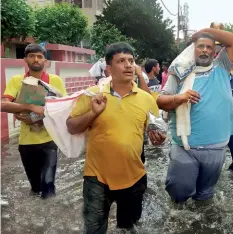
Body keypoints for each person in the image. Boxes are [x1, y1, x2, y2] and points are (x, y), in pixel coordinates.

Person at [66, 43, 166, 232]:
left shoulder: (146, 99)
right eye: (121, 61)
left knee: (127, 228)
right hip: (96, 178)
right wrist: (93, 113)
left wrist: (159, 139)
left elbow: (157, 131)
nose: (128, 65)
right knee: (94, 230)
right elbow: (71, 127)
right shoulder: (93, 95)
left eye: (131, 61)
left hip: (134, 177)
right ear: (110, 69)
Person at [157, 28, 233, 203]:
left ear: (215, 52)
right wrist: (179, 98)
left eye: (209, 47)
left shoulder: (221, 67)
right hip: (185, 147)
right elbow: (160, 101)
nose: (205, 50)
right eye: (200, 46)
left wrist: (203, 32)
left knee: (205, 197)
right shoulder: (179, 74)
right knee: (179, 193)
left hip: (216, 147)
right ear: (193, 50)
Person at [1, 43, 67, 199]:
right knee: (35, 187)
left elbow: (64, 107)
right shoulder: (17, 80)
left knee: (48, 186)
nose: (36, 59)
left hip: (49, 139)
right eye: (31, 56)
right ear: (25, 60)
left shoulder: (55, 80)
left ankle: (49, 215)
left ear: (46, 61)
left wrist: (43, 115)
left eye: (39, 56)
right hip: (26, 142)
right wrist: (29, 106)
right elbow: (3, 104)